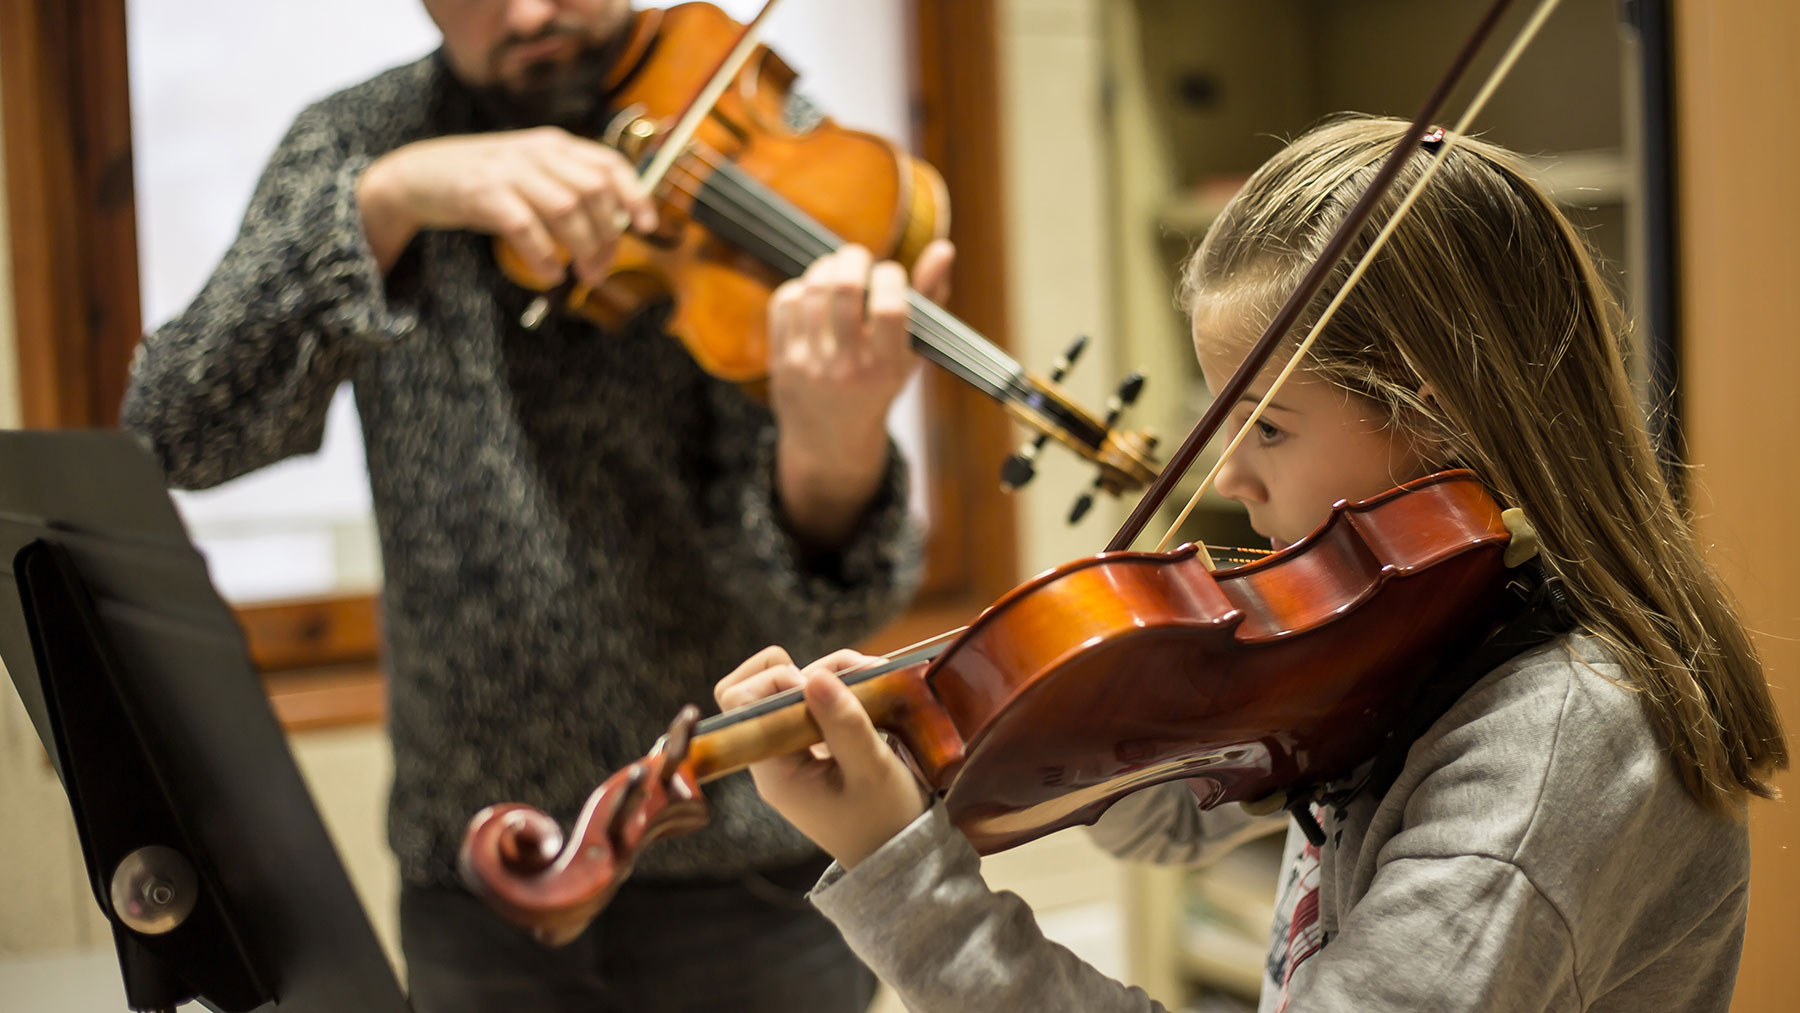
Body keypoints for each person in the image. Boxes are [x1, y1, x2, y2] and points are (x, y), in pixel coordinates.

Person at [714, 114, 1790, 1012]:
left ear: (1440, 408)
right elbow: (1180, 808)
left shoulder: (1554, 736)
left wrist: (908, 875)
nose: (1231, 475)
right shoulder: (1421, 629)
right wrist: (974, 725)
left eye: (1270, 427)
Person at [121, 1, 953, 1010]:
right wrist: (388, 201)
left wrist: (835, 446)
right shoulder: (364, 139)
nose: (527, 12)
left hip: (751, 876)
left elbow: (832, 616)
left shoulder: (736, 128)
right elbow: (176, 428)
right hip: (477, 873)